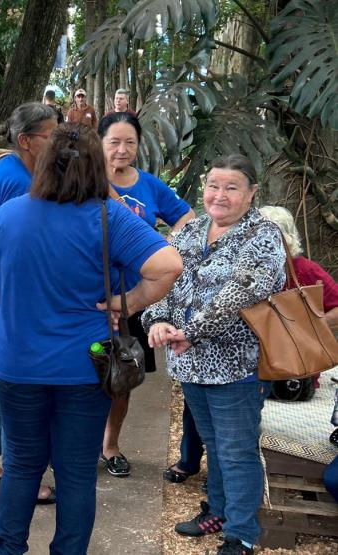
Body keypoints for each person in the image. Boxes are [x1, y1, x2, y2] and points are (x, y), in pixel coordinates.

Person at [0, 122, 182, 554]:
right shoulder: (108, 216)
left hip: (17, 365)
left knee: (22, 465)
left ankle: (9, 549)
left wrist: (14, 293)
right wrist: (129, 302)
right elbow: (168, 265)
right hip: (83, 366)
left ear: (43, 166)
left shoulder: (12, 213)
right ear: (97, 168)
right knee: (76, 472)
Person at [143, 154, 286, 555]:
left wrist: (191, 331)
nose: (219, 195)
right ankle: (219, 511)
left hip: (235, 365)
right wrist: (157, 321)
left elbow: (238, 296)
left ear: (252, 193)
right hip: (189, 362)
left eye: (231, 187)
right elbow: (164, 278)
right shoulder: (191, 232)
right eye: (213, 185)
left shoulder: (263, 236)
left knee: (237, 449)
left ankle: (241, 534)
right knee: (211, 440)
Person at [0, 102, 59, 506]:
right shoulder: (19, 182)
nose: (57, 144)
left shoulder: (12, 168)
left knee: (10, 385)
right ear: (26, 141)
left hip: (1, 296)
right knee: (15, 387)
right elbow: (21, 249)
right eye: (50, 137)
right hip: (5, 299)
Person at [97, 111, 196, 478]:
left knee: (122, 379)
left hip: (136, 299)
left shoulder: (150, 186)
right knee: (82, 378)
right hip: (92, 302)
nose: (122, 151)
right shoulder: (84, 184)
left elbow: (187, 219)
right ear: (99, 144)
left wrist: (170, 246)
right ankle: (73, 448)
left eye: (130, 143)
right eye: (114, 142)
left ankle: (110, 446)